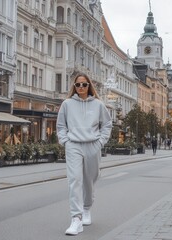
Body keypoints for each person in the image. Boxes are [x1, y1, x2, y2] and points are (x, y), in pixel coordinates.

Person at [56, 73, 113, 236]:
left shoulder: (98, 104)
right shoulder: (67, 104)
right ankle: (76, 218)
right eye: (78, 85)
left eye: (84, 84)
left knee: (90, 179)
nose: (81, 87)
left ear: (89, 86)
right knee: (74, 180)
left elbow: (107, 124)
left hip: (92, 145)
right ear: (74, 86)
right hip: (73, 145)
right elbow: (61, 125)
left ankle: (87, 208)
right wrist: (65, 141)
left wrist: (100, 141)